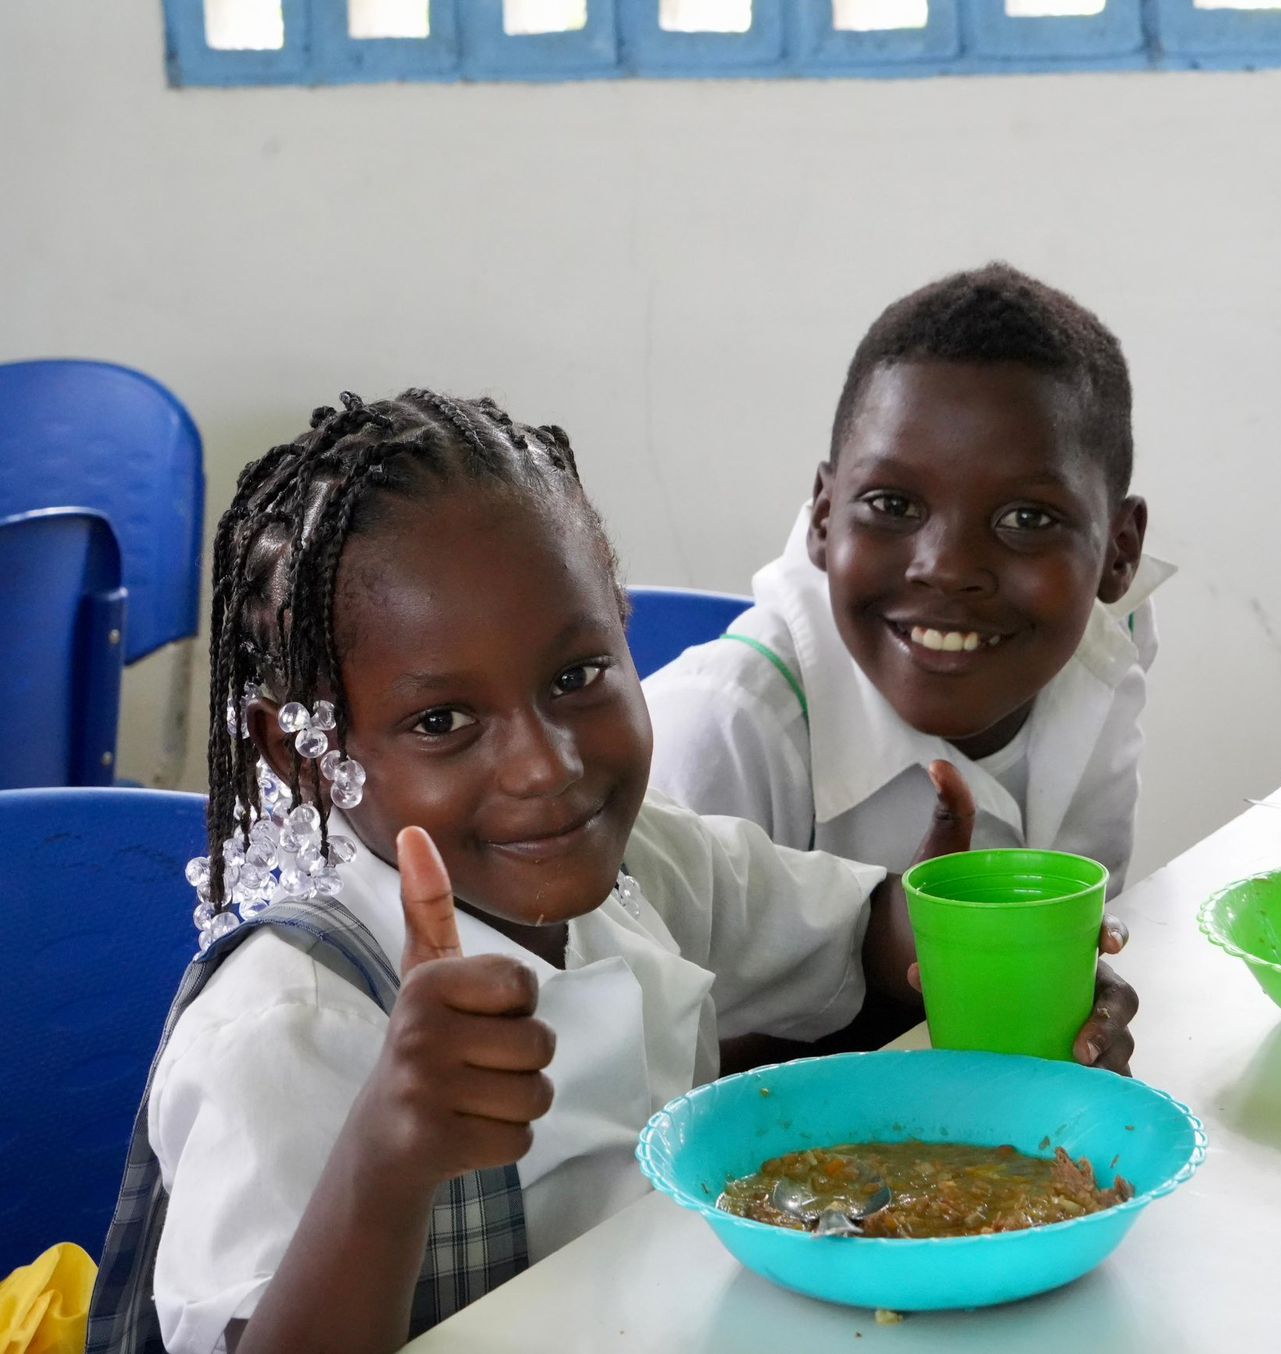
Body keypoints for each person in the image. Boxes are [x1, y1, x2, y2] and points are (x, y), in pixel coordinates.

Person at [86, 390, 1135, 1354]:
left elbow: (856, 948)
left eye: (579, 676)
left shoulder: (642, 864)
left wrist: (963, 947)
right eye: (442, 721)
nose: (549, 766)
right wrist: (386, 1159)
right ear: (299, 749)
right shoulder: (288, 1024)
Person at [645, 262, 1171, 899]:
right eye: (893, 506)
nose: (946, 568)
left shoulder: (1109, 646)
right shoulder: (718, 739)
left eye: (1026, 519)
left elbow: (1101, 921)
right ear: (823, 514)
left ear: (1120, 554)